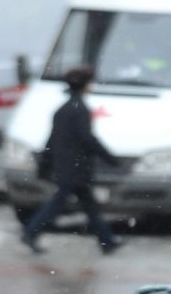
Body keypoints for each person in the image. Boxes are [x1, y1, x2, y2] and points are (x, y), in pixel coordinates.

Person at [20, 66, 123, 256]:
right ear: (85, 85)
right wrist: (110, 158)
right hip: (76, 169)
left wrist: (45, 164)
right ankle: (31, 231)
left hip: (67, 167)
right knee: (59, 203)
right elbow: (88, 139)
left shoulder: (63, 110)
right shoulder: (80, 109)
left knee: (88, 205)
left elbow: (52, 140)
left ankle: (107, 240)